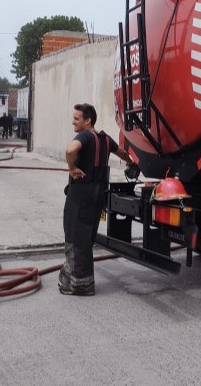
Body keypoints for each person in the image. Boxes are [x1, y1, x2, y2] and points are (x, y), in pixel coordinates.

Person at [59, 103, 135, 296]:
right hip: (97, 196)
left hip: (80, 196)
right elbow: (123, 153)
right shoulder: (106, 139)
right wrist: (131, 164)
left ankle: (80, 284)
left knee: (76, 236)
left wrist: (71, 168)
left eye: (76, 118)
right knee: (86, 238)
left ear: (88, 121)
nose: (73, 122)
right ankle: (82, 280)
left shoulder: (84, 136)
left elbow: (70, 150)